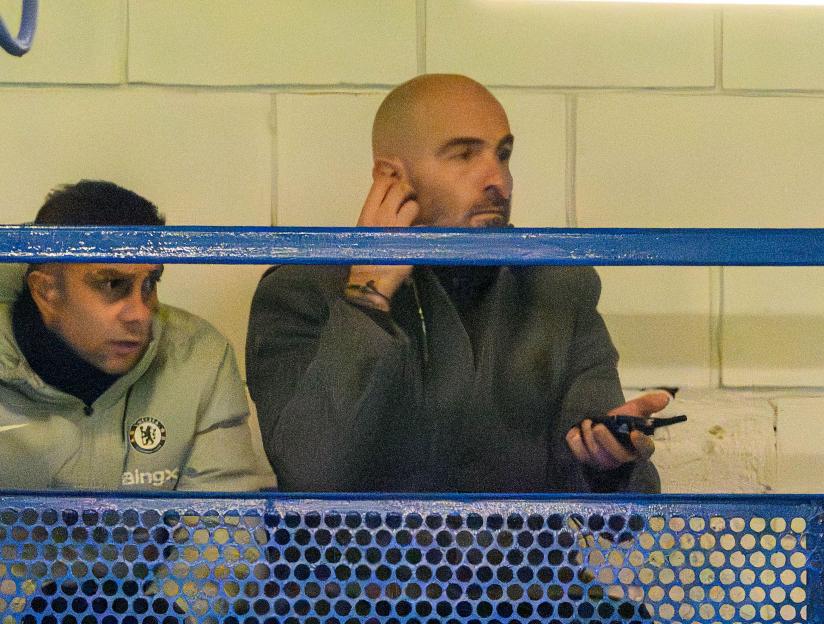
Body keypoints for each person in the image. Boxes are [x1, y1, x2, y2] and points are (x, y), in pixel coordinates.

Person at [247, 74, 667, 493]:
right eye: (465, 155)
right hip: (365, 562)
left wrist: (611, 464)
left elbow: (620, 512)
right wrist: (366, 300)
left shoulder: (556, 286)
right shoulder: (302, 292)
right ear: (391, 178)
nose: (499, 182)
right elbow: (309, 475)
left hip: (525, 562)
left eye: (503, 155)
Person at [0, 180, 274, 491]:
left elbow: (220, 529)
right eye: (111, 284)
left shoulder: (198, 357)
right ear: (46, 292)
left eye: (150, 284)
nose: (140, 314)